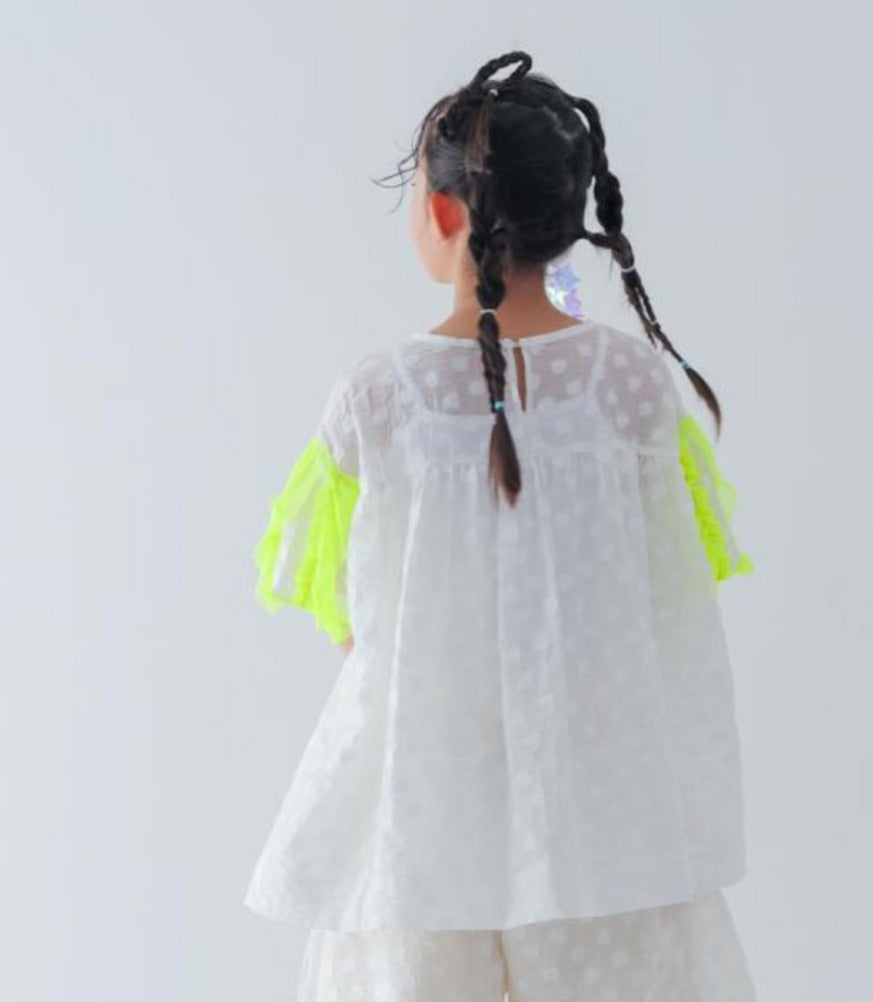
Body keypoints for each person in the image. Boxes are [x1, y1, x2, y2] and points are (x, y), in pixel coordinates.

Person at [245, 49, 757, 1002]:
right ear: (568, 220)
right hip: (605, 818)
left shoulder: (379, 400)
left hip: (420, 815)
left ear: (443, 212)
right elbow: (672, 591)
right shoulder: (633, 389)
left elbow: (347, 617)